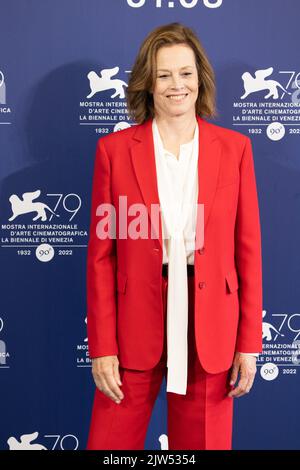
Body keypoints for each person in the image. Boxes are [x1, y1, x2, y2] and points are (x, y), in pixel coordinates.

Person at [85, 22, 263, 450]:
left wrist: (249, 343)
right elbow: (101, 258)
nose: (175, 85)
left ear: (199, 78)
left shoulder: (235, 149)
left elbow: (249, 251)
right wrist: (102, 346)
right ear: (148, 83)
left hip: (210, 321)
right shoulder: (114, 151)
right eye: (164, 75)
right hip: (134, 321)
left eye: (185, 73)